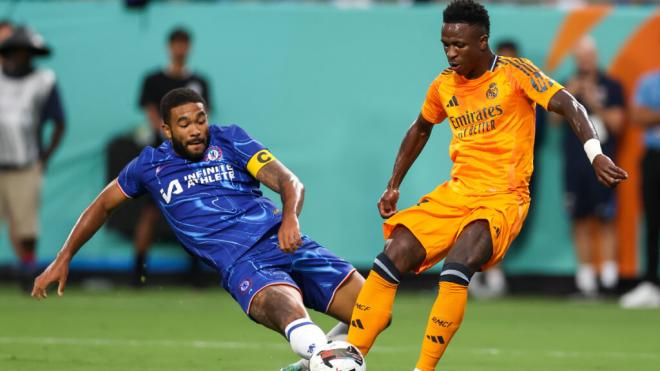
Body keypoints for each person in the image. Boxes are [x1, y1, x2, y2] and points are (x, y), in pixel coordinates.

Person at [345, 1, 627, 370]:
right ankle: (349, 356)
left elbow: (571, 105)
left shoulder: (515, 73)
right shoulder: (444, 84)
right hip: (458, 192)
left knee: (457, 265)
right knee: (392, 253)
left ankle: (423, 369)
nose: (450, 52)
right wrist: (393, 184)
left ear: (482, 41)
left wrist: (596, 154)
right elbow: (421, 128)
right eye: (445, 43)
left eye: (458, 45)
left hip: (503, 198)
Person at [31, 88, 363, 369]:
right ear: (166, 129)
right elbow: (102, 205)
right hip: (243, 263)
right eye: (184, 123)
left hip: (284, 240)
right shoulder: (150, 166)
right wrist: (64, 257)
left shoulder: (230, 139)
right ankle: (323, 358)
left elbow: (289, 181)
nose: (195, 130)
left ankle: (312, 364)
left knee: (372, 311)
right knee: (290, 313)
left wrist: (290, 217)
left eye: (200, 119)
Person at [134, 27, 212, 286]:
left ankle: (195, 273)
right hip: (164, 159)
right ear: (170, 46)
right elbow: (151, 114)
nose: (180, 48)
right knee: (150, 212)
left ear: (189, 47)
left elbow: (203, 117)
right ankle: (138, 272)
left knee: (195, 210)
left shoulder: (199, 82)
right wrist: (170, 138)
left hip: (193, 160)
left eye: (184, 44)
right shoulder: (154, 80)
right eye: (176, 43)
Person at [0, 26, 66, 291]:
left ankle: (28, 271)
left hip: (25, 163)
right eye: (16, 51)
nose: (21, 57)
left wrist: (45, 156)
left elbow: (59, 122)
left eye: (26, 52)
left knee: (25, 225)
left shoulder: (43, 81)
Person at [562, 36, 625, 297]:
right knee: (579, 218)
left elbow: (618, 124)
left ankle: (610, 280)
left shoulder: (611, 85)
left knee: (606, 218)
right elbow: (553, 123)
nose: (585, 62)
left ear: (595, 57)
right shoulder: (565, 86)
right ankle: (585, 281)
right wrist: (572, 98)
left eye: (588, 56)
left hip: (604, 160)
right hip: (575, 162)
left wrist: (593, 100)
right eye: (580, 56)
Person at [620, 70, 660, 309]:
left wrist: (652, 115)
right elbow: (637, 115)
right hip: (654, 158)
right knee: (652, 221)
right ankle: (650, 283)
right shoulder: (649, 82)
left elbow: (647, 115)